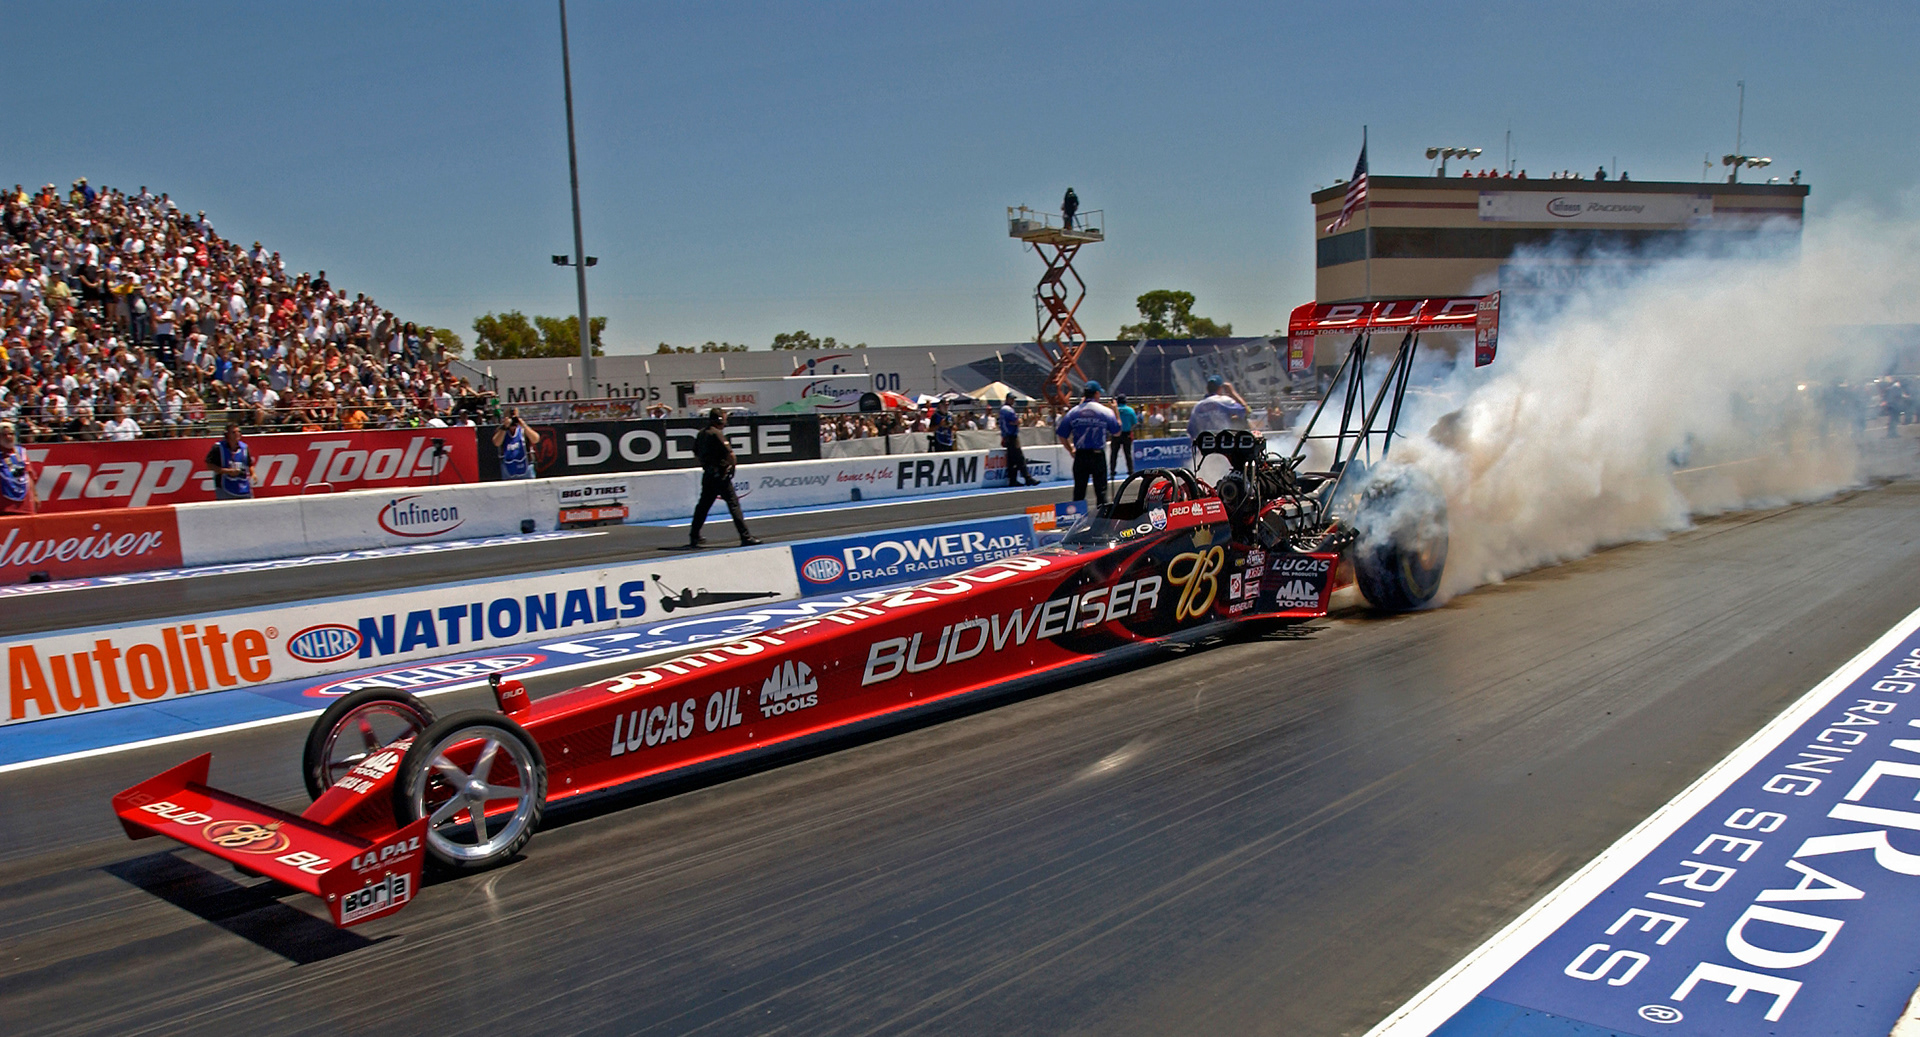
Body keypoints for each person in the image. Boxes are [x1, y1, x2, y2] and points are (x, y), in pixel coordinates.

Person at [690, 408, 759, 548]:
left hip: (708, 474)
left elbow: (696, 452)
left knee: (703, 506)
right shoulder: (716, 434)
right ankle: (745, 537)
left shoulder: (702, 433)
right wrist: (732, 467)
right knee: (734, 505)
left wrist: (707, 464)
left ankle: (694, 536)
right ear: (719, 420)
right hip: (720, 476)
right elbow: (731, 454)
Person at [1055, 381, 1121, 506]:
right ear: (1096, 394)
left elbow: (1062, 434)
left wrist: (1071, 450)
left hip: (1081, 455)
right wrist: (1115, 411)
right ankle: (1102, 521)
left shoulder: (1073, 412)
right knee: (1101, 492)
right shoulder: (1105, 411)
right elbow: (1117, 432)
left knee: (1079, 492)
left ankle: (1076, 519)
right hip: (1097, 455)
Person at [1187, 374, 1250, 442]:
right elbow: (1247, 410)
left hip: (1205, 444)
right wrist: (1232, 392)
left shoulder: (1198, 406)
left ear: (1207, 388)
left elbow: (1191, 430)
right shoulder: (1224, 400)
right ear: (1220, 388)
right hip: (1222, 441)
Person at [997, 396, 1040, 486]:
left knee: (1012, 460)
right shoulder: (1008, 409)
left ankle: (1012, 480)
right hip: (1012, 436)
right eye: (1011, 399)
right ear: (1007, 399)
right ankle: (1028, 478)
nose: (1013, 401)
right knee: (1020, 458)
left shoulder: (1002, 409)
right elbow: (1016, 421)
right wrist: (1019, 420)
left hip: (1007, 436)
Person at [205, 422, 255, 500]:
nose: (237, 434)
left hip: (243, 486)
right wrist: (228, 471)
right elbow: (210, 465)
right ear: (227, 434)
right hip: (224, 487)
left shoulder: (244, 447)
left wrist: (253, 474)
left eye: (239, 432)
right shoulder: (218, 447)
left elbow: (249, 464)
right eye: (233, 432)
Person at [0, 422, 38, 515]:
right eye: (4, 435)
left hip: (25, 504)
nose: (8, 437)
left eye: (11, 434)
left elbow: (29, 475)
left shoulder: (21, 452)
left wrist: (35, 496)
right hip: (4, 505)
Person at [492, 407, 540, 480]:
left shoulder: (523, 429)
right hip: (508, 468)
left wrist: (524, 425)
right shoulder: (501, 430)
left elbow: (536, 439)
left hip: (526, 467)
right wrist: (505, 427)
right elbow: (496, 443)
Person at [1109, 393, 1138, 477]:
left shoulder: (1113, 410)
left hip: (1115, 434)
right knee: (1128, 454)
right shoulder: (1130, 410)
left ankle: (1112, 471)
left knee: (1114, 454)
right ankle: (1130, 471)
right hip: (1126, 434)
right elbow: (1134, 423)